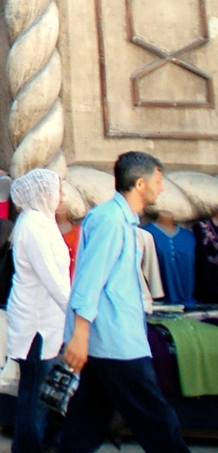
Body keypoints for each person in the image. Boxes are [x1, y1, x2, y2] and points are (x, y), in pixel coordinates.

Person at [59, 152, 190, 453]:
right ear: (140, 183)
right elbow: (91, 279)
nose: (162, 188)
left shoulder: (119, 220)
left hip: (109, 339)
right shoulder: (111, 221)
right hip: (116, 342)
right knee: (157, 420)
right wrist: (80, 335)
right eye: (158, 181)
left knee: (85, 424)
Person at [6, 168, 70, 453]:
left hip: (48, 320)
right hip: (36, 324)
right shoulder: (33, 226)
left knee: (39, 391)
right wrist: (78, 315)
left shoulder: (43, 222)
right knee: (35, 391)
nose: (62, 195)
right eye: (58, 189)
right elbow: (52, 278)